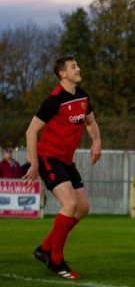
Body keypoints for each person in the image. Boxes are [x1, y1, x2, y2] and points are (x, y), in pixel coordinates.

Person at [23, 56, 102, 280]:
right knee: (70, 204)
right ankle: (56, 260)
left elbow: (91, 122)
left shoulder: (83, 95)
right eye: (73, 67)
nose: (78, 68)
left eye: (77, 64)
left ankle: (44, 249)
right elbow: (31, 131)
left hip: (67, 161)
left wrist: (97, 141)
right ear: (62, 74)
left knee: (83, 208)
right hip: (49, 157)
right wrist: (34, 162)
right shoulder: (54, 100)